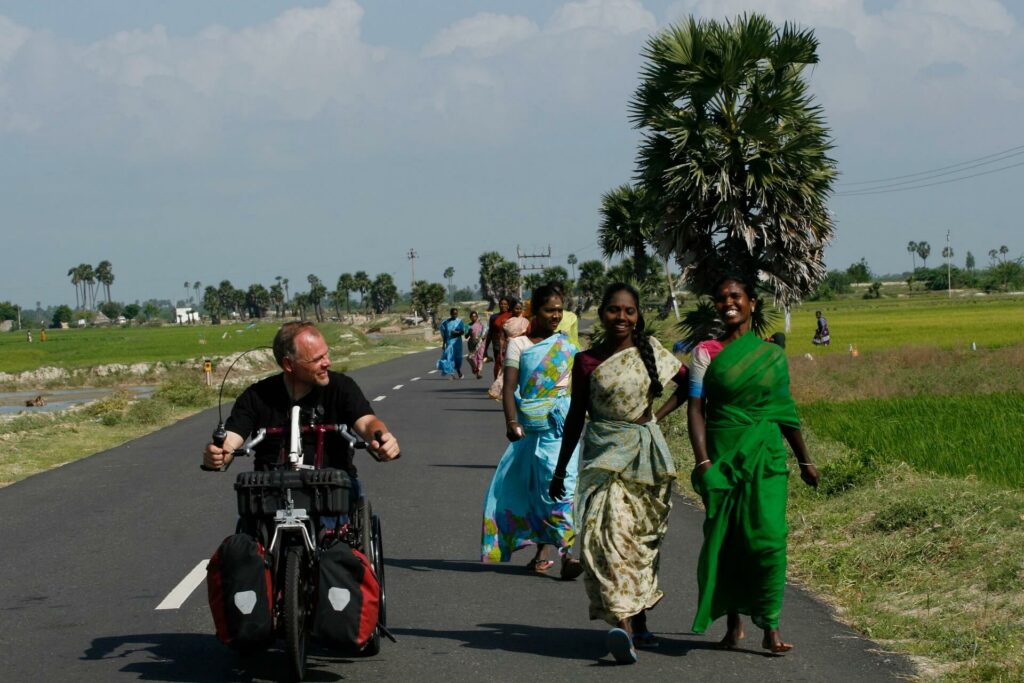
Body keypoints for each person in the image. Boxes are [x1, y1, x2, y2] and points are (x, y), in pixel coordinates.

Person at [551, 283, 688, 664]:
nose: (621, 318)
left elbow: (690, 383)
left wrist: (654, 419)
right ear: (603, 312)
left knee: (636, 544)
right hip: (602, 460)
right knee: (605, 539)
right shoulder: (586, 361)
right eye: (613, 310)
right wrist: (562, 468)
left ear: (638, 315)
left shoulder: (651, 354)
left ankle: (637, 620)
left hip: (644, 461)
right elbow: (577, 415)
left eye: (629, 311)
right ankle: (624, 631)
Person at [687, 274, 819, 654]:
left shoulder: (773, 356)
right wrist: (703, 462)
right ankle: (734, 624)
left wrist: (805, 461)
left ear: (752, 303)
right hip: (723, 456)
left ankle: (771, 624)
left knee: (769, 540)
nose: (728, 302)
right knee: (729, 540)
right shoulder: (705, 354)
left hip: (766, 456)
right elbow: (696, 410)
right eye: (721, 297)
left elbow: (785, 412)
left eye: (736, 296)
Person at [202, 321, 400, 474]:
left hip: (334, 491)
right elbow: (231, 438)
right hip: (269, 493)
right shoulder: (256, 396)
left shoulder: (341, 387)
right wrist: (219, 454)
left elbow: (367, 423)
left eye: (326, 355)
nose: (327, 363)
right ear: (289, 365)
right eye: (317, 359)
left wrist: (382, 437)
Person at [482, 284, 583, 579]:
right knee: (539, 491)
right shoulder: (520, 345)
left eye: (559, 310)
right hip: (530, 430)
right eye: (548, 310)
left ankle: (568, 555)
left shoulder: (567, 346)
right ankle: (543, 550)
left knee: (561, 487)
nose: (555, 315)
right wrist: (511, 422)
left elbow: (576, 387)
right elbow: (510, 388)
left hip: (562, 429)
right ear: (533, 311)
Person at [482, 297, 513, 380]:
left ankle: (508, 383)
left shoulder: (512, 316)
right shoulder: (493, 317)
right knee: (498, 363)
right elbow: (490, 333)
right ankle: (497, 383)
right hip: (497, 344)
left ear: (508, 305)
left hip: (510, 344)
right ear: (499, 305)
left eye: (505, 304)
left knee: (510, 364)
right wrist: (485, 349)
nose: (503, 305)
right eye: (501, 304)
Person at [437, 307, 467, 379]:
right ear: (450, 314)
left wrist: (456, 332)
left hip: (457, 343)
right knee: (450, 358)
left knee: (458, 359)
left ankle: (459, 371)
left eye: (456, 314)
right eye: (453, 314)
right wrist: (443, 344)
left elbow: (463, 331)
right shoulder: (445, 323)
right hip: (449, 343)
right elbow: (444, 334)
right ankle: (452, 374)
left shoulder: (460, 322)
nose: (455, 315)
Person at [466, 310, 486, 379]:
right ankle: (474, 368)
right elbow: (466, 336)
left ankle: (479, 372)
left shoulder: (481, 324)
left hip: (480, 342)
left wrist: (483, 337)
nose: (473, 318)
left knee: (480, 357)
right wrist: (469, 332)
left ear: (477, 317)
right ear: (470, 317)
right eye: (472, 316)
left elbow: (485, 332)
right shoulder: (468, 325)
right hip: (472, 342)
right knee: (471, 357)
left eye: (475, 316)